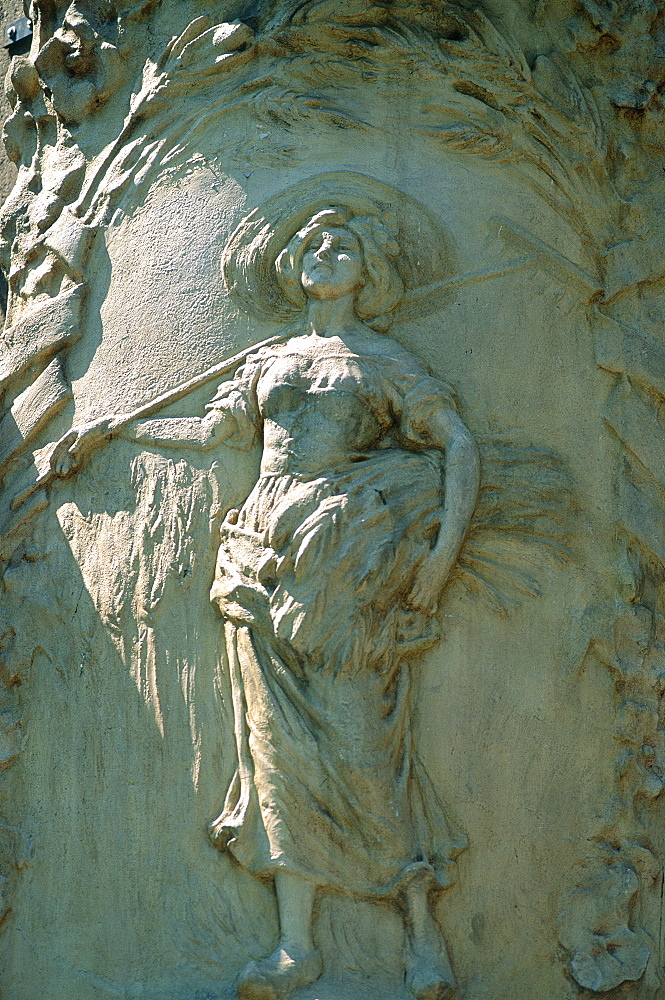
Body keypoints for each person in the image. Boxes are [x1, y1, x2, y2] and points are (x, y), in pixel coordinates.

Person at [50, 206, 480, 1000]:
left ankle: (422, 936)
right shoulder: (268, 359)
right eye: (311, 244)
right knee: (274, 751)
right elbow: (218, 435)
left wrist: (436, 563)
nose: (324, 253)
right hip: (263, 559)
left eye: (342, 244)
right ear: (289, 266)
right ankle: (295, 945)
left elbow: (455, 445)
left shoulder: (386, 362)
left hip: (348, 566)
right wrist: (118, 429)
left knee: (369, 748)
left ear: (368, 271)